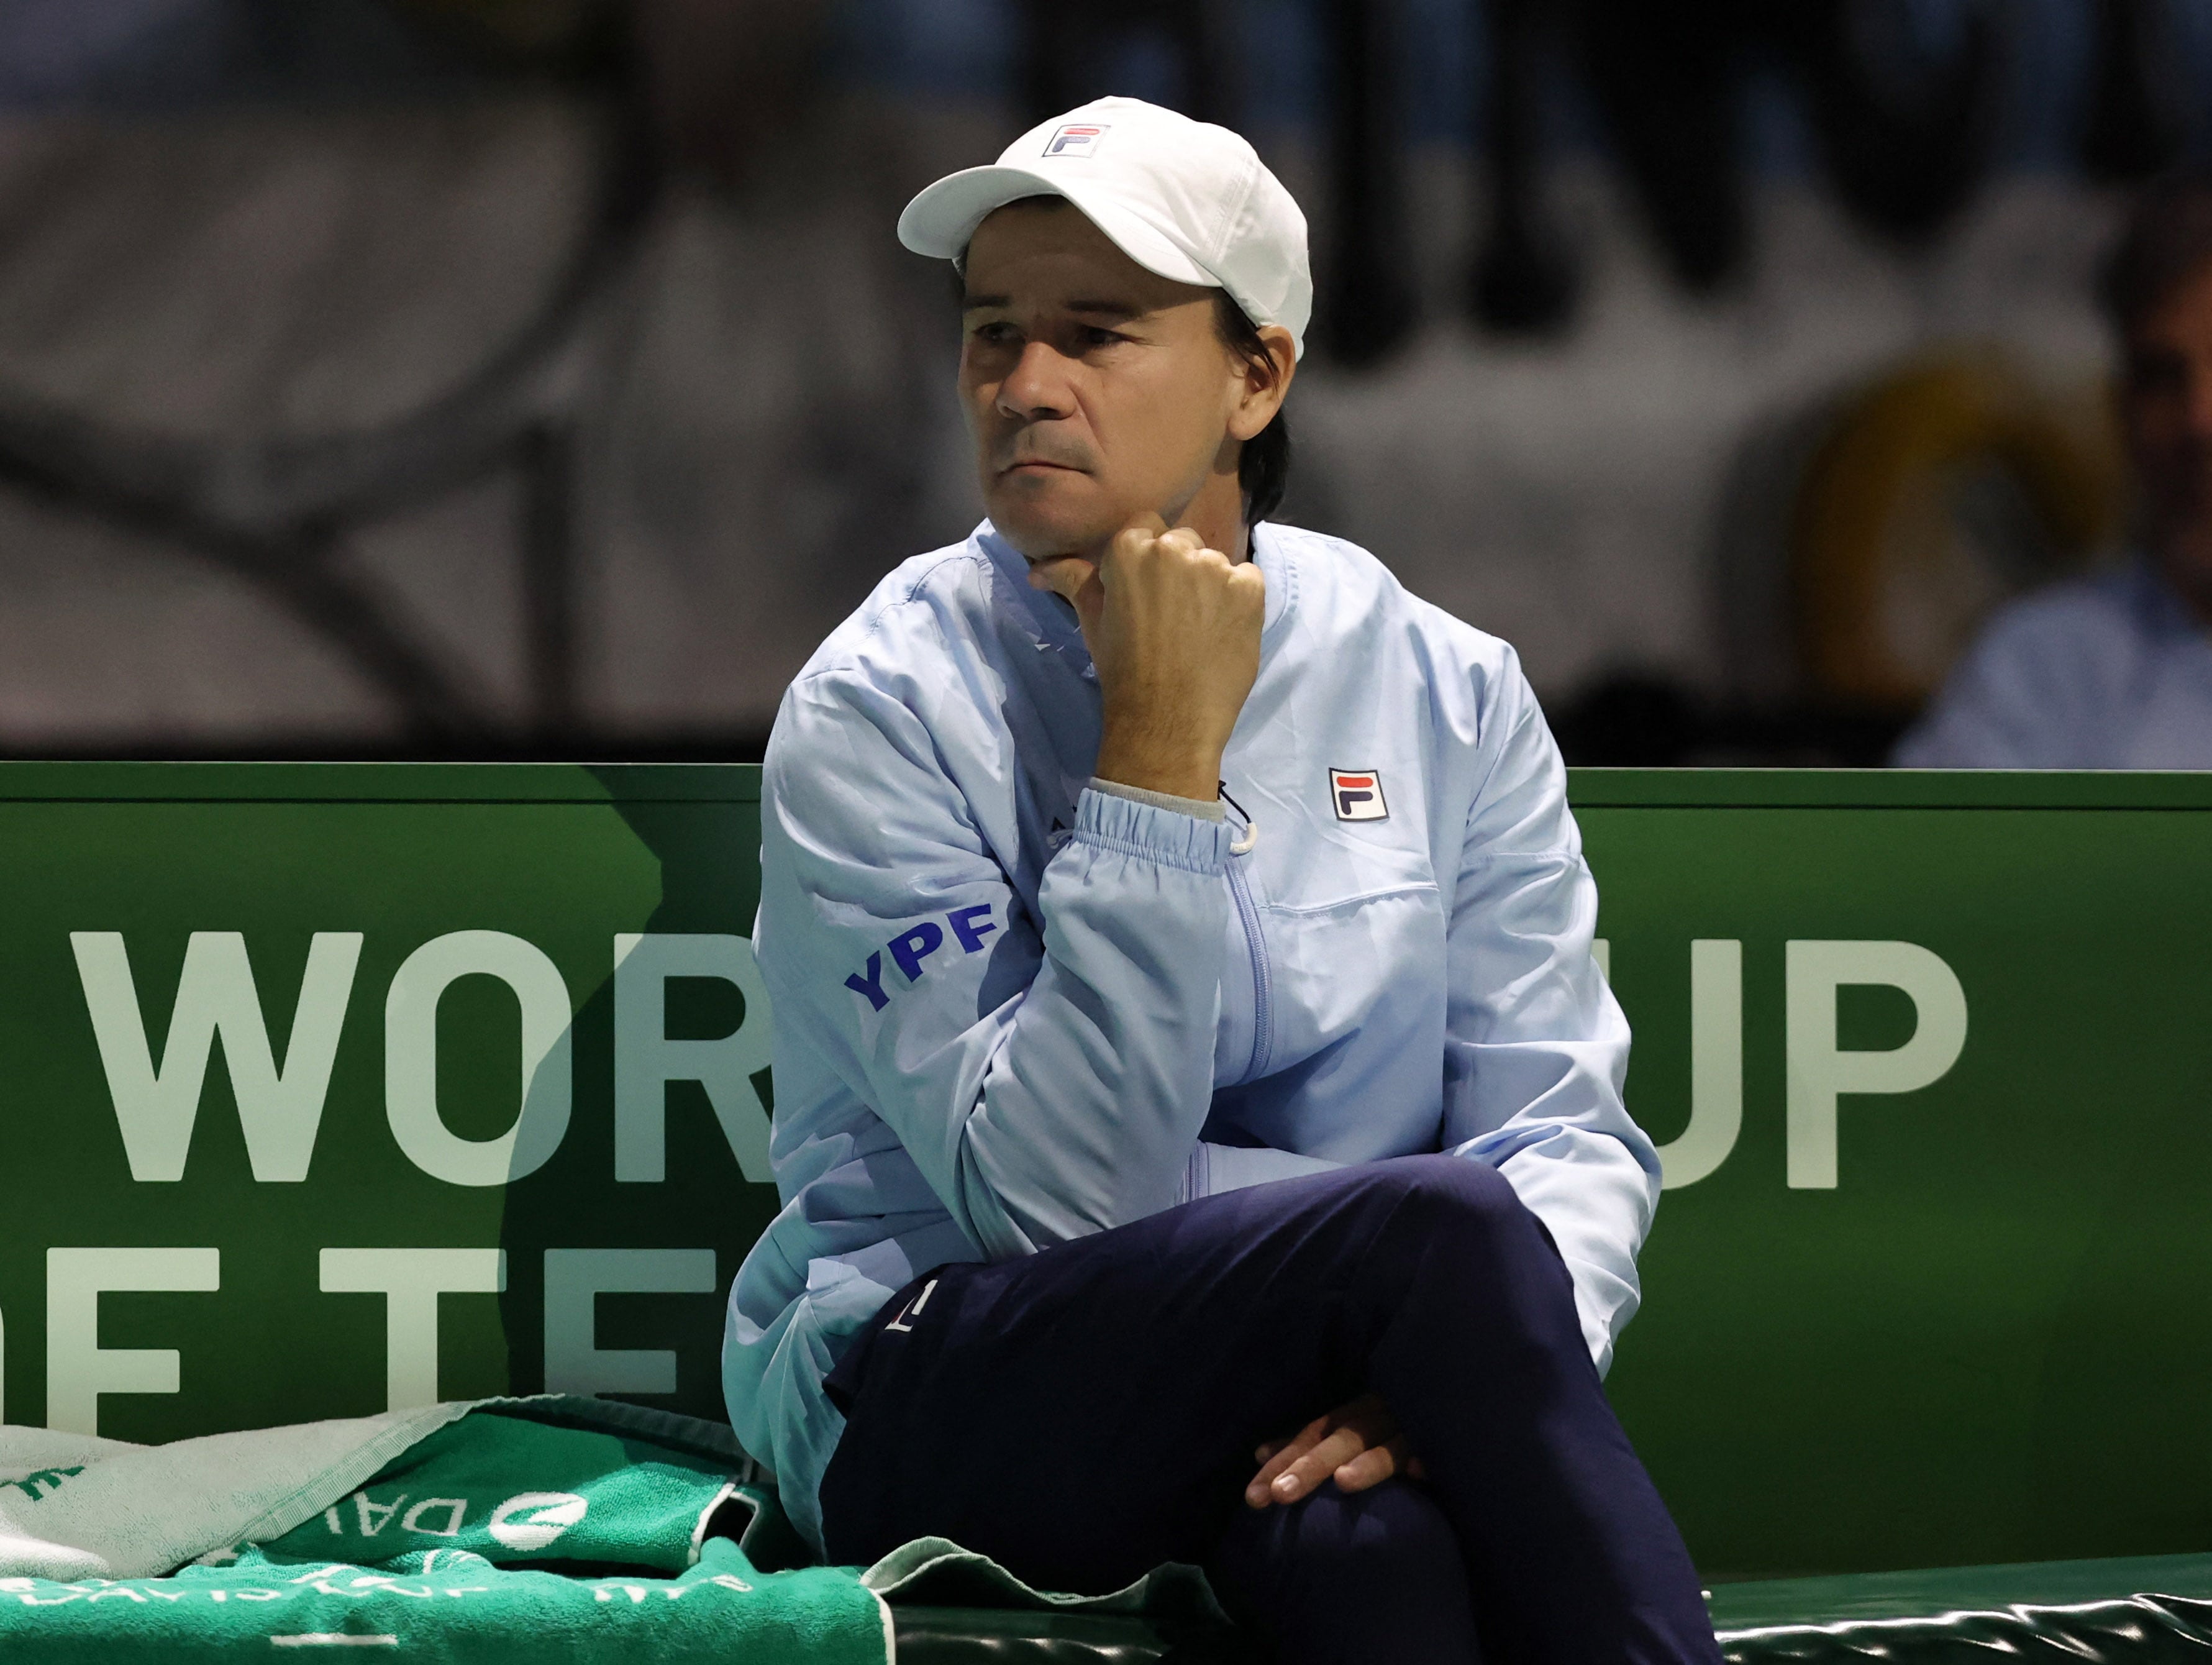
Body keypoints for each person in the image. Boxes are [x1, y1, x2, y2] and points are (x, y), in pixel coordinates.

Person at [721, 95, 1719, 1663]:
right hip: (920, 1380)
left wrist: (1425, 1382)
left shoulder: (1442, 682)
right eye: (992, 333)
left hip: (1318, 1367)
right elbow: (1055, 1205)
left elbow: (1561, 1127)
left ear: (1255, 374)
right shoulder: (879, 705)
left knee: (1361, 1544)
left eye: (1095, 334)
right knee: (1438, 1235)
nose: (1021, 387)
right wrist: (1154, 764)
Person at [1896, 170, 2212, 768]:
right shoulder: (2039, 670)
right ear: (2121, 410)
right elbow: (1917, 857)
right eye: (2161, 378)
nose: (2200, 420)